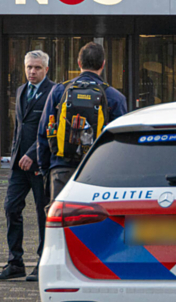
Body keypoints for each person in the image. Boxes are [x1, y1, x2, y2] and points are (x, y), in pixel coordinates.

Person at [38, 42, 128, 208]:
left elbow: (44, 132)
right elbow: (121, 141)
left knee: (60, 224)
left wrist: (47, 170)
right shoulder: (115, 97)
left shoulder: (59, 91)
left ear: (78, 63)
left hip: (62, 169)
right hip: (99, 172)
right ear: (103, 64)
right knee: (96, 223)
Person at [0, 50, 53, 282]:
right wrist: (14, 152)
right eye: (29, 67)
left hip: (40, 162)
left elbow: (51, 127)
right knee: (11, 208)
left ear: (46, 69)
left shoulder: (54, 92)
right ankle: (15, 262)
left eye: (37, 67)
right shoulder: (20, 91)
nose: (32, 71)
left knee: (42, 213)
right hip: (18, 164)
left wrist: (33, 154)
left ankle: (43, 263)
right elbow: (19, 126)